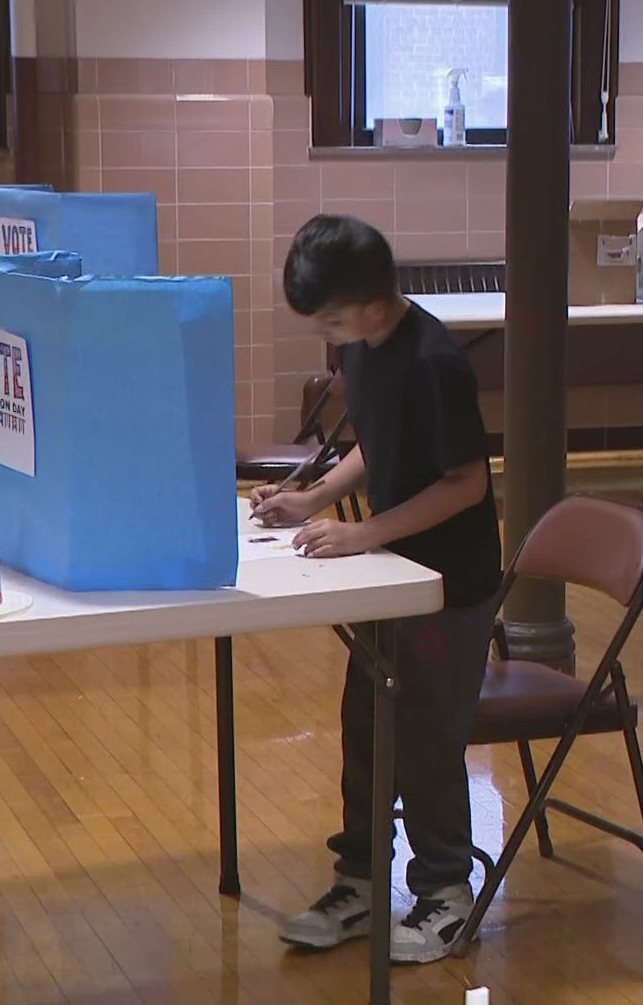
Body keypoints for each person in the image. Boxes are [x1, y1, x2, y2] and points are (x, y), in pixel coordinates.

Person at [252, 214, 502, 964]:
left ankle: (445, 895)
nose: (327, 334)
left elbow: (466, 482)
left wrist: (365, 532)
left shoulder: (433, 361)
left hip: (445, 586)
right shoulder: (362, 349)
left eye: (330, 318)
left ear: (368, 303)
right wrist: (316, 496)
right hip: (390, 576)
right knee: (365, 726)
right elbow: (375, 438)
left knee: (425, 741)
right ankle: (360, 879)